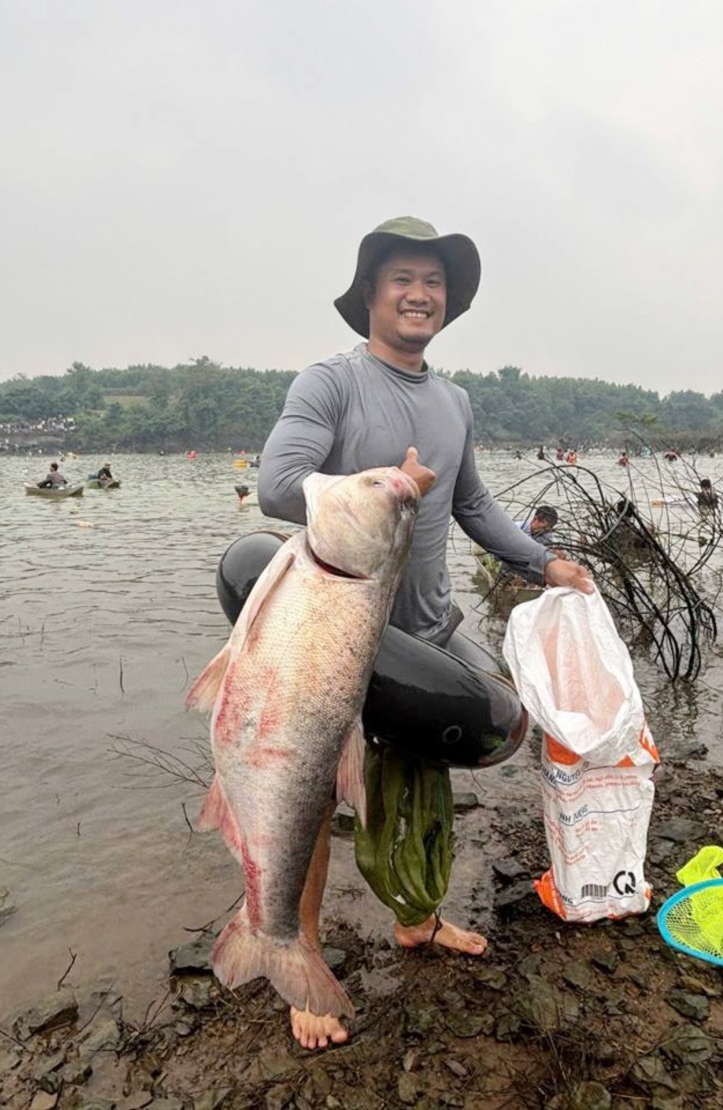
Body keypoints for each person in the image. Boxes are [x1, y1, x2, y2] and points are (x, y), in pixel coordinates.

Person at [258, 215, 593, 1050]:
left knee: (438, 763)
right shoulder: (330, 382)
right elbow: (278, 483)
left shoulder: (455, 402)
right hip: (336, 637)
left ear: (448, 302)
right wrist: (385, 488)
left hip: (428, 629)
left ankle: (416, 915)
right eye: (402, 278)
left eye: (433, 282)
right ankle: (299, 960)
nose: (419, 294)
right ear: (371, 294)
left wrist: (544, 563)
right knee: (312, 792)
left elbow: (472, 504)